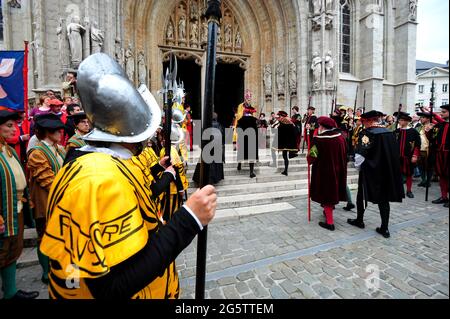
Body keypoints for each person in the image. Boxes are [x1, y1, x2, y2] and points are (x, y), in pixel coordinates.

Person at [39, 53, 216, 299]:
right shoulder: (99, 178)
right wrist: (189, 219)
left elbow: (134, 206)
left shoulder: (97, 163)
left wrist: (157, 171)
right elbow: (112, 287)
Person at [0, 110, 40, 300]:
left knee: (12, 251)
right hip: (3, 212)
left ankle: (10, 292)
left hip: (16, 208)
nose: (13, 129)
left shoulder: (7, 149)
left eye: (13, 125)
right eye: (8, 125)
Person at [348, 110, 404, 238]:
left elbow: (360, 155)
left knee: (361, 193)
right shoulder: (389, 132)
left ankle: (359, 220)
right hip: (386, 170)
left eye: (363, 122)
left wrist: (358, 167)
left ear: (368, 121)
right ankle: (384, 227)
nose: (363, 124)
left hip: (370, 170)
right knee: (383, 198)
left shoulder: (367, 133)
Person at [27, 113, 66, 284]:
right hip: (45, 203)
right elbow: (48, 180)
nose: (60, 132)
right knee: (44, 236)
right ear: (45, 132)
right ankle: (46, 272)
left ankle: (57, 267)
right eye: (55, 130)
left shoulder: (59, 149)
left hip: (59, 200)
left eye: (59, 129)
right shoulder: (37, 152)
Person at [307, 116, 348, 231]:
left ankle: (330, 222)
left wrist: (309, 159)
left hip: (324, 172)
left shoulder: (318, 139)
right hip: (338, 169)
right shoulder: (341, 138)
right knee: (332, 192)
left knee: (327, 195)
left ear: (321, 126)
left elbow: (312, 156)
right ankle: (326, 211)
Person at [193, 112, 225, 185]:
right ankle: (215, 179)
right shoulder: (220, 125)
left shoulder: (206, 125)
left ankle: (201, 178)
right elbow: (222, 136)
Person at [395, 112, 421, 199]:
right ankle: (398, 190)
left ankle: (409, 190)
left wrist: (415, 155)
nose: (399, 122)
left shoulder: (413, 131)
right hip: (397, 157)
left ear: (407, 121)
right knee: (397, 174)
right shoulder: (397, 131)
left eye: (402, 120)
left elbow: (417, 145)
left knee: (409, 174)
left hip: (408, 157)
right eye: (399, 120)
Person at [428, 104, 449, 208]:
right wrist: (429, 130)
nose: (441, 113)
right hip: (440, 153)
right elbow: (432, 139)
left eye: (444, 112)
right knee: (442, 175)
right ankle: (444, 197)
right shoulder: (440, 125)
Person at [272, 111, 299, 176]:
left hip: (283, 143)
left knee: (284, 156)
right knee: (285, 156)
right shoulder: (291, 123)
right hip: (289, 143)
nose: (279, 118)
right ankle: (285, 170)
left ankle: (285, 171)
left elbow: (273, 128)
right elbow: (296, 131)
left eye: (280, 116)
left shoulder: (281, 123)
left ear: (282, 116)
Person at [237, 102, 259, 178]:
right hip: (252, 139)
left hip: (243, 139)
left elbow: (238, 129)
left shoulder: (241, 120)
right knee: (251, 156)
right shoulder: (254, 120)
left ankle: (239, 165)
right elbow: (256, 131)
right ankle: (251, 172)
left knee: (241, 153)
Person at [416, 111, 433, 188]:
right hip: (420, 150)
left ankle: (428, 181)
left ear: (428, 119)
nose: (421, 119)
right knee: (420, 166)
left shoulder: (433, 126)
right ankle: (423, 180)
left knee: (429, 167)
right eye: (421, 117)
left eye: (423, 117)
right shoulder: (418, 128)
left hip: (429, 150)